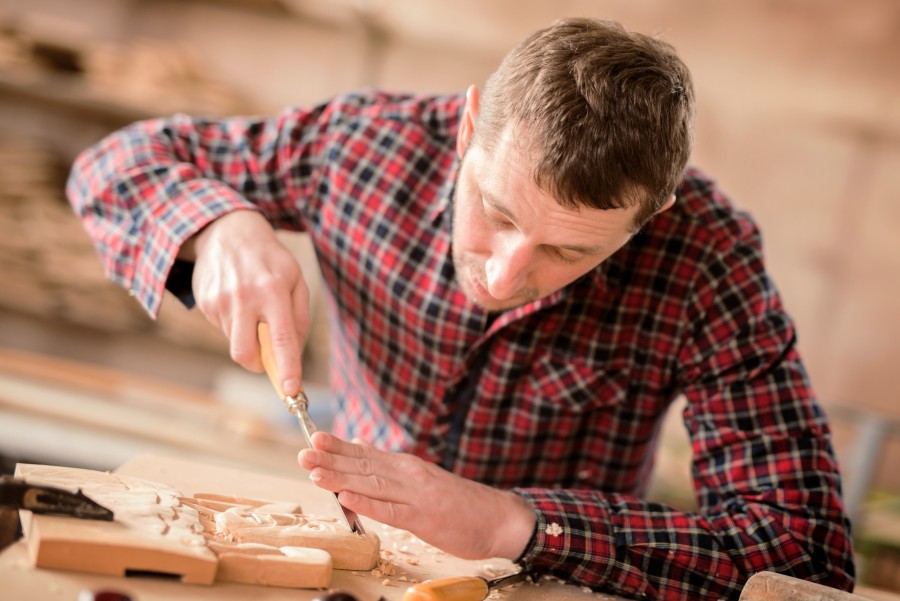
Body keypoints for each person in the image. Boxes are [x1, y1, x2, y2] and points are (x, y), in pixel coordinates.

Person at [66, 17, 854, 600]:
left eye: (569, 252)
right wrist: (216, 224)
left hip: (548, 584)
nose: (508, 274)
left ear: (652, 217)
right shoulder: (362, 145)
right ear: (470, 123)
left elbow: (802, 556)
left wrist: (515, 524)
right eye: (498, 213)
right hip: (344, 564)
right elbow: (119, 162)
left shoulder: (706, 257)